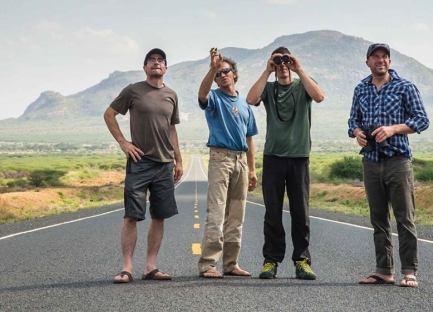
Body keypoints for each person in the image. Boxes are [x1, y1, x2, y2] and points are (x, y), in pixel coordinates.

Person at [348, 43, 429, 288]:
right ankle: (383, 270)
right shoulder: (361, 88)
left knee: (405, 218)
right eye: (375, 57)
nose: (380, 60)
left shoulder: (405, 87)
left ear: (389, 62)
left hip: (398, 160)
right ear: (368, 62)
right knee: (378, 219)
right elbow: (353, 119)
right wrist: (357, 132)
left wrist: (393, 129)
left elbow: (422, 120)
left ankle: (409, 271)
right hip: (371, 161)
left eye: (384, 57)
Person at [104, 48, 183, 284]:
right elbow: (109, 114)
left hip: (164, 164)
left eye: (161, 60)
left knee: (159, 216)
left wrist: (178, 159)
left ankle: (150, 267)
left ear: (166, 68)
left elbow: (172, 128)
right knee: (132, 215)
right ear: (145, 67)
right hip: (139, 162)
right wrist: (123, 142)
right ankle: (126, 268)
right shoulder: (133, 90)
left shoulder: (171, 95)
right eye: (152, 60)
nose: (156, 63)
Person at [246, 46, 325, 280]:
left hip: (299, 157)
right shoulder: (269, 89)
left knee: (301, 212)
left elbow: (319, 97)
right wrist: (266, 71)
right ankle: (271, 261)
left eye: (285, 60)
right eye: (278, 61)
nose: (282, 64)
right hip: (273, 157)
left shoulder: (304, 85)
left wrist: (298, 68)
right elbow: (251, 99)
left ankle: (302, 261)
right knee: (272, 212)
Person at [197, 48, 259, 278]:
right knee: (216, 212)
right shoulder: (214, 98)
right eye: (218, 73)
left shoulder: (245, 104)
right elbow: (202, 94)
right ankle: (208, 264)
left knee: (237, 213)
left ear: (234, 73)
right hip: (220, 158)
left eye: (225, 71)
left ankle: (231, 264)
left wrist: (252, 169)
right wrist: (210, 68)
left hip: (241, 160)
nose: (222, 75)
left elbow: (249, 138)